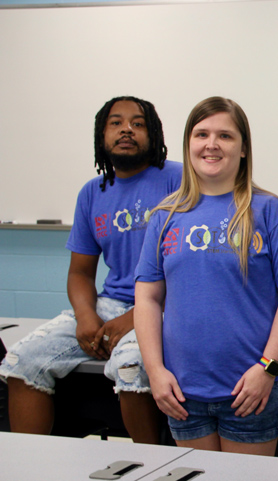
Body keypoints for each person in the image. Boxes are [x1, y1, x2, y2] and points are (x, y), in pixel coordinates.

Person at [134, 97, 278, 456]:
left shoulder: (272, 214)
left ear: (243, 148)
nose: (211, 144)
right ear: (188, 145)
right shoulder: (164, 217)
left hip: (251, 389)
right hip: (182, 392)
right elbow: (148, 298)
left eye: (225, 136)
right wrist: (154, 371)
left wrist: (268, 368)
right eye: (201, 134)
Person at [0, 96, 181, 443]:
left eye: (138, 123)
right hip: (111, 304)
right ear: (102, 136)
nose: (126, 129)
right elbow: (81, 273)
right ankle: (28, 466)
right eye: (115, 123)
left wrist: (133, 320)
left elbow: (192, 268)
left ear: (154, 135)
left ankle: (151, 463)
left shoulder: (179, 180)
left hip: (168, 304)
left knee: (129, 367)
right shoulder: (92, 192)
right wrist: (86, 316)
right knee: (23, 360)